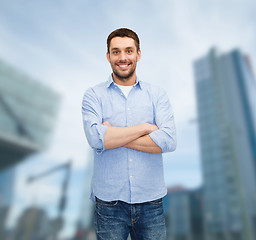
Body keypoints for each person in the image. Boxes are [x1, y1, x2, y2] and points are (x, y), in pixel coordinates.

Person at [82, 28, 176, 240]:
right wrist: (145, 128)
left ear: (138, 54)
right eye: (116, 52)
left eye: (128, 51)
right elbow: (95, 138)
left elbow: (168, 141)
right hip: (108, 204)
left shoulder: (157, 95)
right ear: (108, 56)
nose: (122, 58)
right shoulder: (93, 95)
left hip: (151, 202)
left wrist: (112, 136)